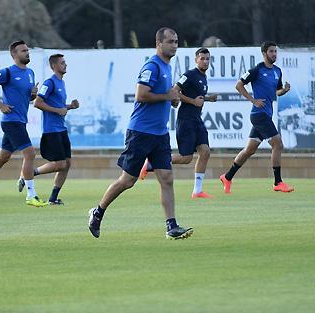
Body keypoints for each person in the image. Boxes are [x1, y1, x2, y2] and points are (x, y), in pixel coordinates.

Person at [88, 28, 193, 240]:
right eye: (170, 41)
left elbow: (163, 96)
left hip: (160, 134)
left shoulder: (166, 66)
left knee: (167, 178)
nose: (174, 45)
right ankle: (97, 212)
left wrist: (172, 99)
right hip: (140, 132)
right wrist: (167, 96)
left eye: (176, 42)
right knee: (127, 181)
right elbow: (141, 95)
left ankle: (171, 227)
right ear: (158, 43)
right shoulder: (152, 66)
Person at [0, 40, 48, 208]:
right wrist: (0, 105)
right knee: (30, 154)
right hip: (11, 121)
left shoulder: (30, 73)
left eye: (27, 50)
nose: (27, 53)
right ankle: (31, 195)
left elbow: (28, 98)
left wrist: (33, 95)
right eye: (23, 51)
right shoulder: (7, 72)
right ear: (14, 54)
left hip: (20, 121)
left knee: (3, 157)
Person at [140, 47, 218, 198]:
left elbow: (197, 97)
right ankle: (151, 163)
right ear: (196, 60)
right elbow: (175, 91)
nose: (205, 61)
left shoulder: (203, 77)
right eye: (202, 58)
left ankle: (197, 191)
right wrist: (193, 101)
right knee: (186, 158)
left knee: (205, 152)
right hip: (186, 120)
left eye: (207, 59)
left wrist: (208, 98)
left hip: (197, 120)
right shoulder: (189, 75)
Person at [219, 41, 293, 193]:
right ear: (264, 53)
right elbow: (239, 85)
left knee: (249, 150)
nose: (274, 54)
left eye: (275, 51)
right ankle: (278, 182)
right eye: (271, 51)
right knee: (278, 144)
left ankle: (227, 176)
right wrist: (253, 100)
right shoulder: (256, 70)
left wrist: (284, 91)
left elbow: (276, 91)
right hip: (259, 115)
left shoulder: (277, 71)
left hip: (266, 115)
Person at [17, 54, 79, 205]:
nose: (65, 65)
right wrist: (58, 111)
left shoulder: (61, 83)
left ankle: (53, 198)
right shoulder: (49, 82)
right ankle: (28, 174)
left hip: (61, 130)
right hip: (51, 131)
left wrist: (70, 106)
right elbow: (37, 103)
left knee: (67, 164)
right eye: (62, 63)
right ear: (54, 66)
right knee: (60, 164)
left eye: (65, 62)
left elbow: (59, 107)